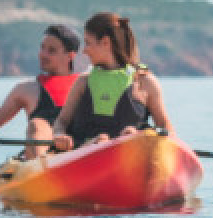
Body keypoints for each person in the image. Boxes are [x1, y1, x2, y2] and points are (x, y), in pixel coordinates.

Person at [52, 12, 174, 151]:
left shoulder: (144, 82)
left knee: (129, 133)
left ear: (105, 42)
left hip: (130, 154)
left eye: (88, 43)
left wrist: (144, 136)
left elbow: (165, 127)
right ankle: (99, 144)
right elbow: (61, 121)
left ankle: (127, 140)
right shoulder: (83, 82)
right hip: (86, 154)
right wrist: (59, 134)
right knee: (101, 140)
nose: (84, 51)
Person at [0, 24, 84, 159]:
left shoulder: (85, 84)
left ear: (70, 56)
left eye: (51, 50)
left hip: (77, 149)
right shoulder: (26, 89)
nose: (43, 54)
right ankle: (42, 168)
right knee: (37, 124)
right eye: (42, 48)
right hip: (42, 155)